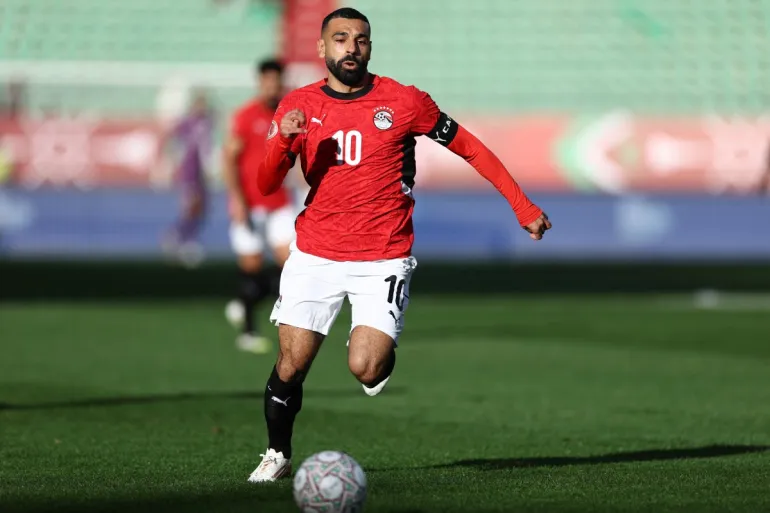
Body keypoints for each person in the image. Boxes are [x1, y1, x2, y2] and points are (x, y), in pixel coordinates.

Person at [247, 7, 552, 482]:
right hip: (315, 252)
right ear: (323, 49)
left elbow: (469, 145)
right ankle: (277, 453)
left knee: (366, 368)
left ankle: (377, 350)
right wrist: (281, 144)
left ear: (370, 47)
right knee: (291, 363)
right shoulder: (299, 106)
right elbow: (266, 185)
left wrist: (522, 205)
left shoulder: (405, 102)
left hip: (382, 254)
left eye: (362, 39)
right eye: (342, 38)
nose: (353, 47)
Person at [222, 59, 297, 354]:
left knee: (290, 266)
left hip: (278, 204)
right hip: (250, 204)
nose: (272, 86)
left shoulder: (287, 116)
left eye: (276, 81)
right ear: (260, 82)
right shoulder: (245, 116)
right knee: (251, 270)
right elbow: (229, 159)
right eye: (267, 81)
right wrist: (237, 199)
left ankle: (244, 304)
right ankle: (248, 331)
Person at [162, 90, 214, 268]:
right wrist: (170, 163)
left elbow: (206, 147)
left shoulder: (207, 123)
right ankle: (181, 238)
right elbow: (171, 140)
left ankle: (184, 237)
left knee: (202, 209)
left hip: (201, 173)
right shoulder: (187, 123)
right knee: (190, 207)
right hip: (189, 173)